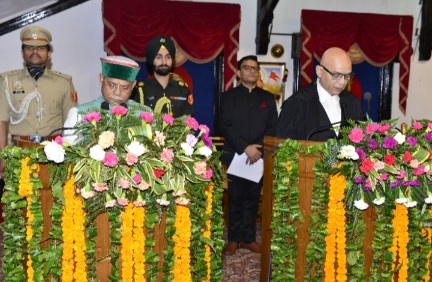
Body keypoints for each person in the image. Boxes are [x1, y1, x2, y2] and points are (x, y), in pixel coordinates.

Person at [0, 25, 77, 178]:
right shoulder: (6, 82)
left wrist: (72, 156)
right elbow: (1, 122)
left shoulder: (64, 82)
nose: (35, 52)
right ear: (22, 52)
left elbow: (72, 124)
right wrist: (1, 157)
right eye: (29, 48)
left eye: (40, 48)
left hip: (54, 154)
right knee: (19, 198)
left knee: (52, 199)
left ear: (49, 53)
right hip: (19, 153)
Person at [219, 55, 278, 255]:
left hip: (258, 157)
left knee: (253, 199)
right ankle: (234, 239)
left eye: (255, 68)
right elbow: (224, 126)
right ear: (239, 72)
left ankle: (249, 238)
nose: (251, 71)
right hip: (236, 155)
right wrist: (245, 147)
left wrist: (257, 149)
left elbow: (272, 127)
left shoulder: (267, 98)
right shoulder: (228, 97)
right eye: (247, 68)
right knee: (235, 199)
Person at [277, 47, 362, 141]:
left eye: (347, 76)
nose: (342, 82)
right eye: (336, 75)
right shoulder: (296, 104)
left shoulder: (353, 103)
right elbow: (282, 149)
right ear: (320, 71)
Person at [63, 55, 148, 144]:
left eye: (124, 87)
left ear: (133, 85)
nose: (117, 92)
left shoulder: (144, 114)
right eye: (112, 85)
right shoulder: (78, 114)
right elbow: (70, 152)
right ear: (101, 79)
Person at [130, 35, 194, 118]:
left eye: (168, 57)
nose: (164, 61)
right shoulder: (140, 91)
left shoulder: (183, 89)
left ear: (172, 60)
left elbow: (188, 122)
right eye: (159, 57)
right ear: (151, 60)